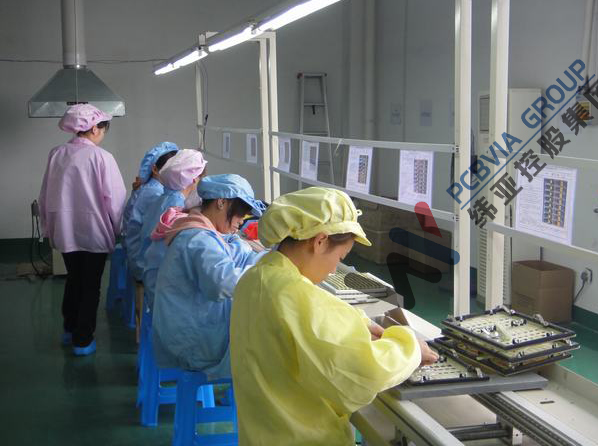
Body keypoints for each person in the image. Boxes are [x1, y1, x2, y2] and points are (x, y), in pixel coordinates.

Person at [229, 187, 439, 445]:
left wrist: (356, 323)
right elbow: (362, 372)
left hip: (262, 433)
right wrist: (411, 348)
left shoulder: (256, 277)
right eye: (339, 257)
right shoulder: (296, 296)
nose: (332, 270)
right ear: (319, 241)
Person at [152, 174, 267, 378]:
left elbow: (225, 256)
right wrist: (268, 268)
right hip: (190, 341)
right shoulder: (199, 238)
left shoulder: (198, 229)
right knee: (263, 346)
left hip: (182, 326)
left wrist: (256, 253)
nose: (241, 221)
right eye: (240, 212)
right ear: (221, 202)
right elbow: (222, 284)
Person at [39, 104, 126, 356]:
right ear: (95, 128)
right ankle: (83, 340)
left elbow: (45, 194)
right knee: (90, 286)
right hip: (94, 231)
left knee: (74, 279)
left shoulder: (57, 154)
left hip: (65, 230)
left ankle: (69, 329)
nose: (102, 134)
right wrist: (120, 228)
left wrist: (48, 226)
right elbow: (115, 199)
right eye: (103, 129)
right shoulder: (102, 157)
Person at [122, 142, 178, 338]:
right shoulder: (156, 193)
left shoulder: (152, 188)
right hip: (142, 259)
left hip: (138, 251)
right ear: (154, 169)